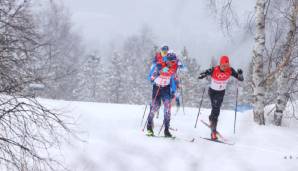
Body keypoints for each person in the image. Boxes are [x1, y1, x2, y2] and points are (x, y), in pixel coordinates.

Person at [198, 55, 244, 140]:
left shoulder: (230, 70)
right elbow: (204, 73)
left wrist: (240, 74)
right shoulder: (214, 69)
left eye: (226, 65)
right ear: (220, 64)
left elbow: (240, 79)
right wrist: (202, 75)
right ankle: (212, 127)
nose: (224, 67)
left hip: (221, 93)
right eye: (223, 65)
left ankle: (212, 126)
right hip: (212, 92)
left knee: (216, 110)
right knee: (215, 109)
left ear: (228, 65)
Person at [147, 46, 178, 137]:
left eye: (174, 62)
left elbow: (174, 80)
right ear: (167, 60)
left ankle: (166, 130)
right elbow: (151, 79)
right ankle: (149, 127)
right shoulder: (160, 65)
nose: (172, 64)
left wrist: (173, 91)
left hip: (166, 88)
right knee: (155, 107)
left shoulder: (173, 68)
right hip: (157, 88)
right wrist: (159, 72)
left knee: (167, 108)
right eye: (171, 61)